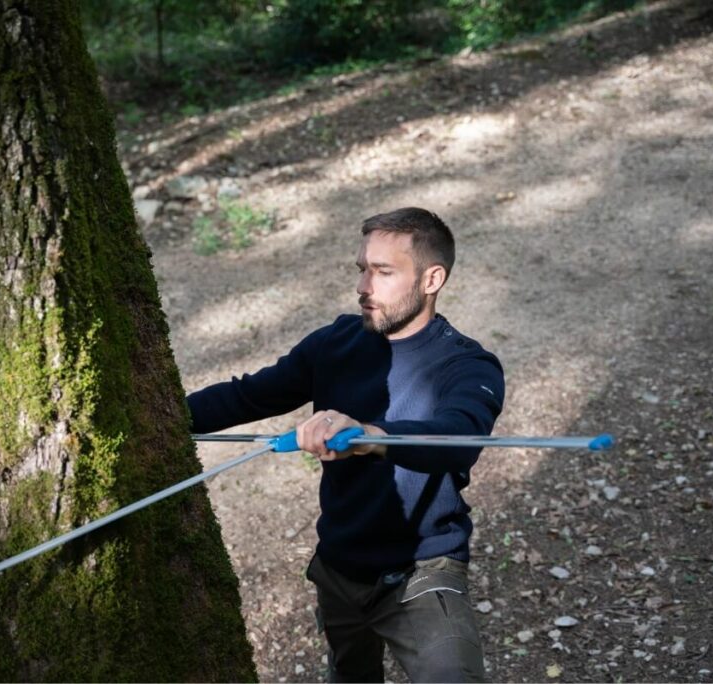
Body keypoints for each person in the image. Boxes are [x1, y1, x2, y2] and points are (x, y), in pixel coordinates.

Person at [186, 207, 504, 682]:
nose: (363, 286)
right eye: (362, 269)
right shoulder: (336, 343)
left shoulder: (467, 365)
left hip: (423, 572)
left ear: (432, 278)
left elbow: (458, 439)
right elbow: (245, 396)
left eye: (383, 271)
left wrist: (371, 437)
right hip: (339, 569)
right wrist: (160, 416)